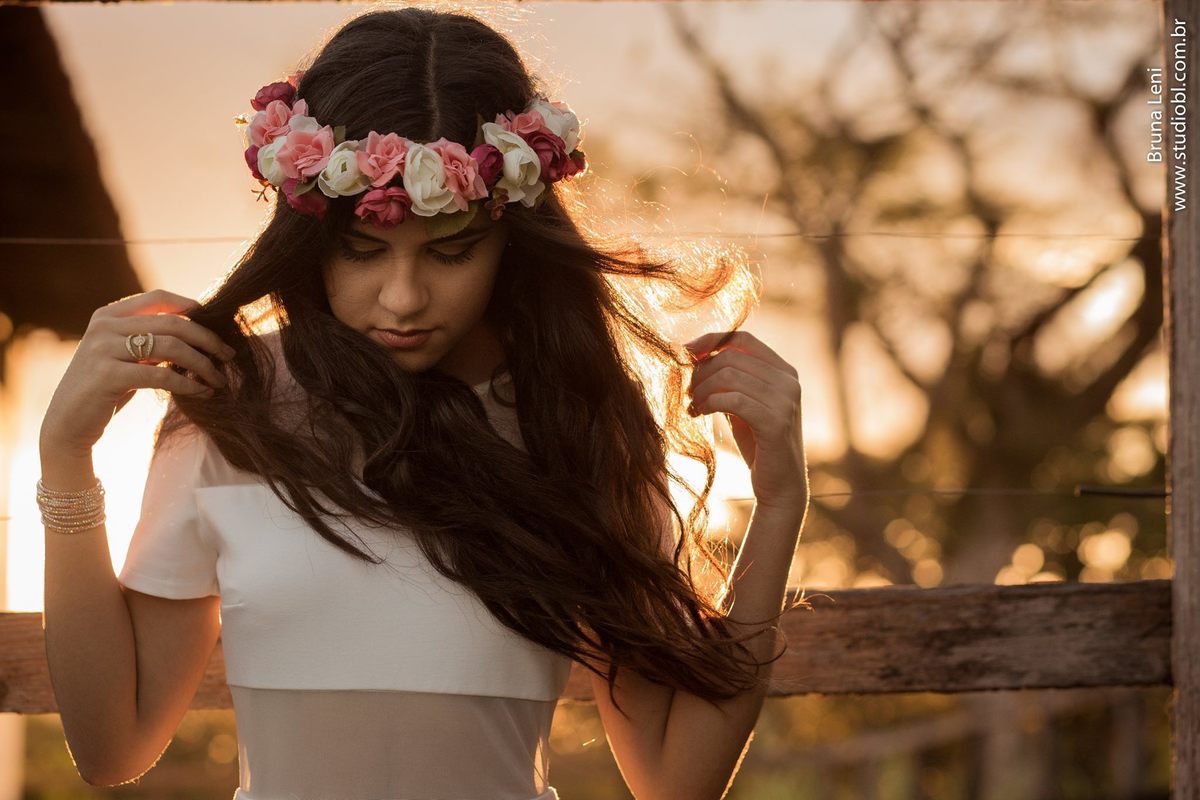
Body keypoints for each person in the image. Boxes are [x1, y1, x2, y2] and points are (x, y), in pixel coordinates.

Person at [37, 7, 810, 799]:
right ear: (311, 234)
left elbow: (677, 782)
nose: (402, 299)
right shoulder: (231, 408)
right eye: (362, 249)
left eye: (451, 251)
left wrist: (781, 502)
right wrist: (65, 457)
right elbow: (112, 747)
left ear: (511, 233)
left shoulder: (575, 424)